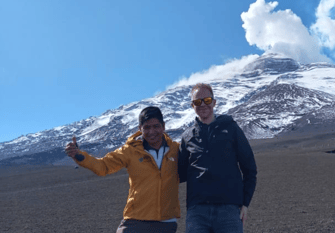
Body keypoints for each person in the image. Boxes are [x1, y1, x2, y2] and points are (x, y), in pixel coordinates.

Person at [64, 106, 180, 233]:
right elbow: (103, 166)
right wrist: (79, 155)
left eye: (156, 126)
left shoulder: (176, 150)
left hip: (166, 222)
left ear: (163, 126)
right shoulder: (129, 151)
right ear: (140, 129)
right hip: (136, 220)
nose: (152, 131)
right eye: (147, 127)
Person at [179, 83, 257, 233]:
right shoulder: (187, 136)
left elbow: (250, 168)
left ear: (214, 102)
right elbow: (178, 174)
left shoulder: (231, 129)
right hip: (197, 213)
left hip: (229, 210)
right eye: (197, 102)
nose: (202, 105)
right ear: (192, 105)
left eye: (207, 100)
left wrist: (245, 203)